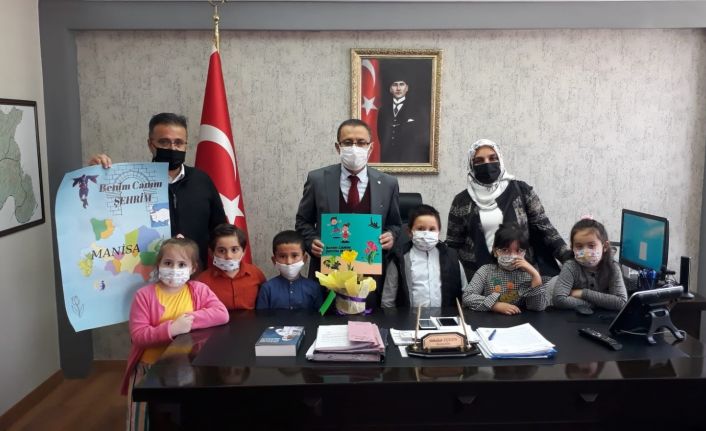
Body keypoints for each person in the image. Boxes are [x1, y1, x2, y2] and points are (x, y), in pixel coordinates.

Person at [89, 112, 226, 268]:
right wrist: (95, 176)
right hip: (147, 275)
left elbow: (219, 230)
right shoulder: (131, 184)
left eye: (178, 143)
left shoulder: (202, 180)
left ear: (186, 145)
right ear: (150, 144)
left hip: (195, 276)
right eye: (164, 142)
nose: (172, 148)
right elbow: (105, 219)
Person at [121, 238, 228, 430]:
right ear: (159, 264)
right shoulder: (144, 296)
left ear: (193, 268)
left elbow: (222, 314)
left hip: (186, 366)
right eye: (168, 263)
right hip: (149, 368)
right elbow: (138, 336)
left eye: (181, 264)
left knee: (185, 414)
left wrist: (188, 320)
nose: (174, 269)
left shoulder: (198, 290)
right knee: (141, 415)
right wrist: (172, 329)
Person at [295, 119, 402, 307]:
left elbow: (395, 224)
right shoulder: (317, 179)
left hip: (370, 276)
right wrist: (311, 241)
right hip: (329, 275)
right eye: (348, 142)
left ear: (370, 147)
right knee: (326, 322)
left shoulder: (388, 183)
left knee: (368, 323)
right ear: (338, 147)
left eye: (361, 142)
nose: (354, 147)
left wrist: (391, 236)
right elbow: (302, 221)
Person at [447, 138, 571, 281]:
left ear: (500, 159)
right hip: (479, 280)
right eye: (479, 161)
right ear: (471, 165)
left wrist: (569, 258)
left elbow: (545, 228)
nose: (487, 164)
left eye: (493, 158)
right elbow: (453, 245)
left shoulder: (522, 191)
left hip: (524, 276)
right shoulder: (461, 201)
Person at [381, 204, 466, 308]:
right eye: (420, 229)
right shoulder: (399, 259)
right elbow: (387, 301)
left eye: (432, 229)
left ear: (439, 232)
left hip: (445, 317)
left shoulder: (452, 257)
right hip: (410, 317)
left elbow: (465, 293)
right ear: (409, 232)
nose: (426, 233)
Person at [462, 222, 547, 314]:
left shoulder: (528, 274)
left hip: (519, 320)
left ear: (524, 252)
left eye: (518, 251)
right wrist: (494, 305)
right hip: (490, 320)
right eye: (505, 250)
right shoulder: (486, 271)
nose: (512, 256)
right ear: (495, 251)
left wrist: (535, 275)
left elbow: (537, 307)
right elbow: (467, 297)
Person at [552, 218, 628, 311]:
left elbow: (621, 302)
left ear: (605, 246)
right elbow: (559, 299)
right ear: (572, 248)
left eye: (591, 246)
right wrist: (595, 304)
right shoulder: (571, 266)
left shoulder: (612, 267)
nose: (585, 251)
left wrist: (583, 293)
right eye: (579, 246)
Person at [197, 223, 266, 310]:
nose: (228, 256)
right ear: (211, 253)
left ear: (244, 251)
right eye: (222, 251)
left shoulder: (256, 274)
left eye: (234, 250)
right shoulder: (202, 281)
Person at [256, 230, 323, 311]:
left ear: (304, 259)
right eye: (282, 256)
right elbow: (261, 317)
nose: (289, 262)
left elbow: (319, 316)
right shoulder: (267, 289)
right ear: (274, 260)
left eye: (294, 256)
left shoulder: (314, 288)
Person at [377, 79, 430, 163]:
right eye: (395, 85)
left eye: (401, 84)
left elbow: (422, 137)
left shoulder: (417, 109)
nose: (398, 88)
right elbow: (381, 135)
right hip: (388, 159)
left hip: (409, 158)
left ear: (407, 88)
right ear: (390, 89)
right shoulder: (383, 110)